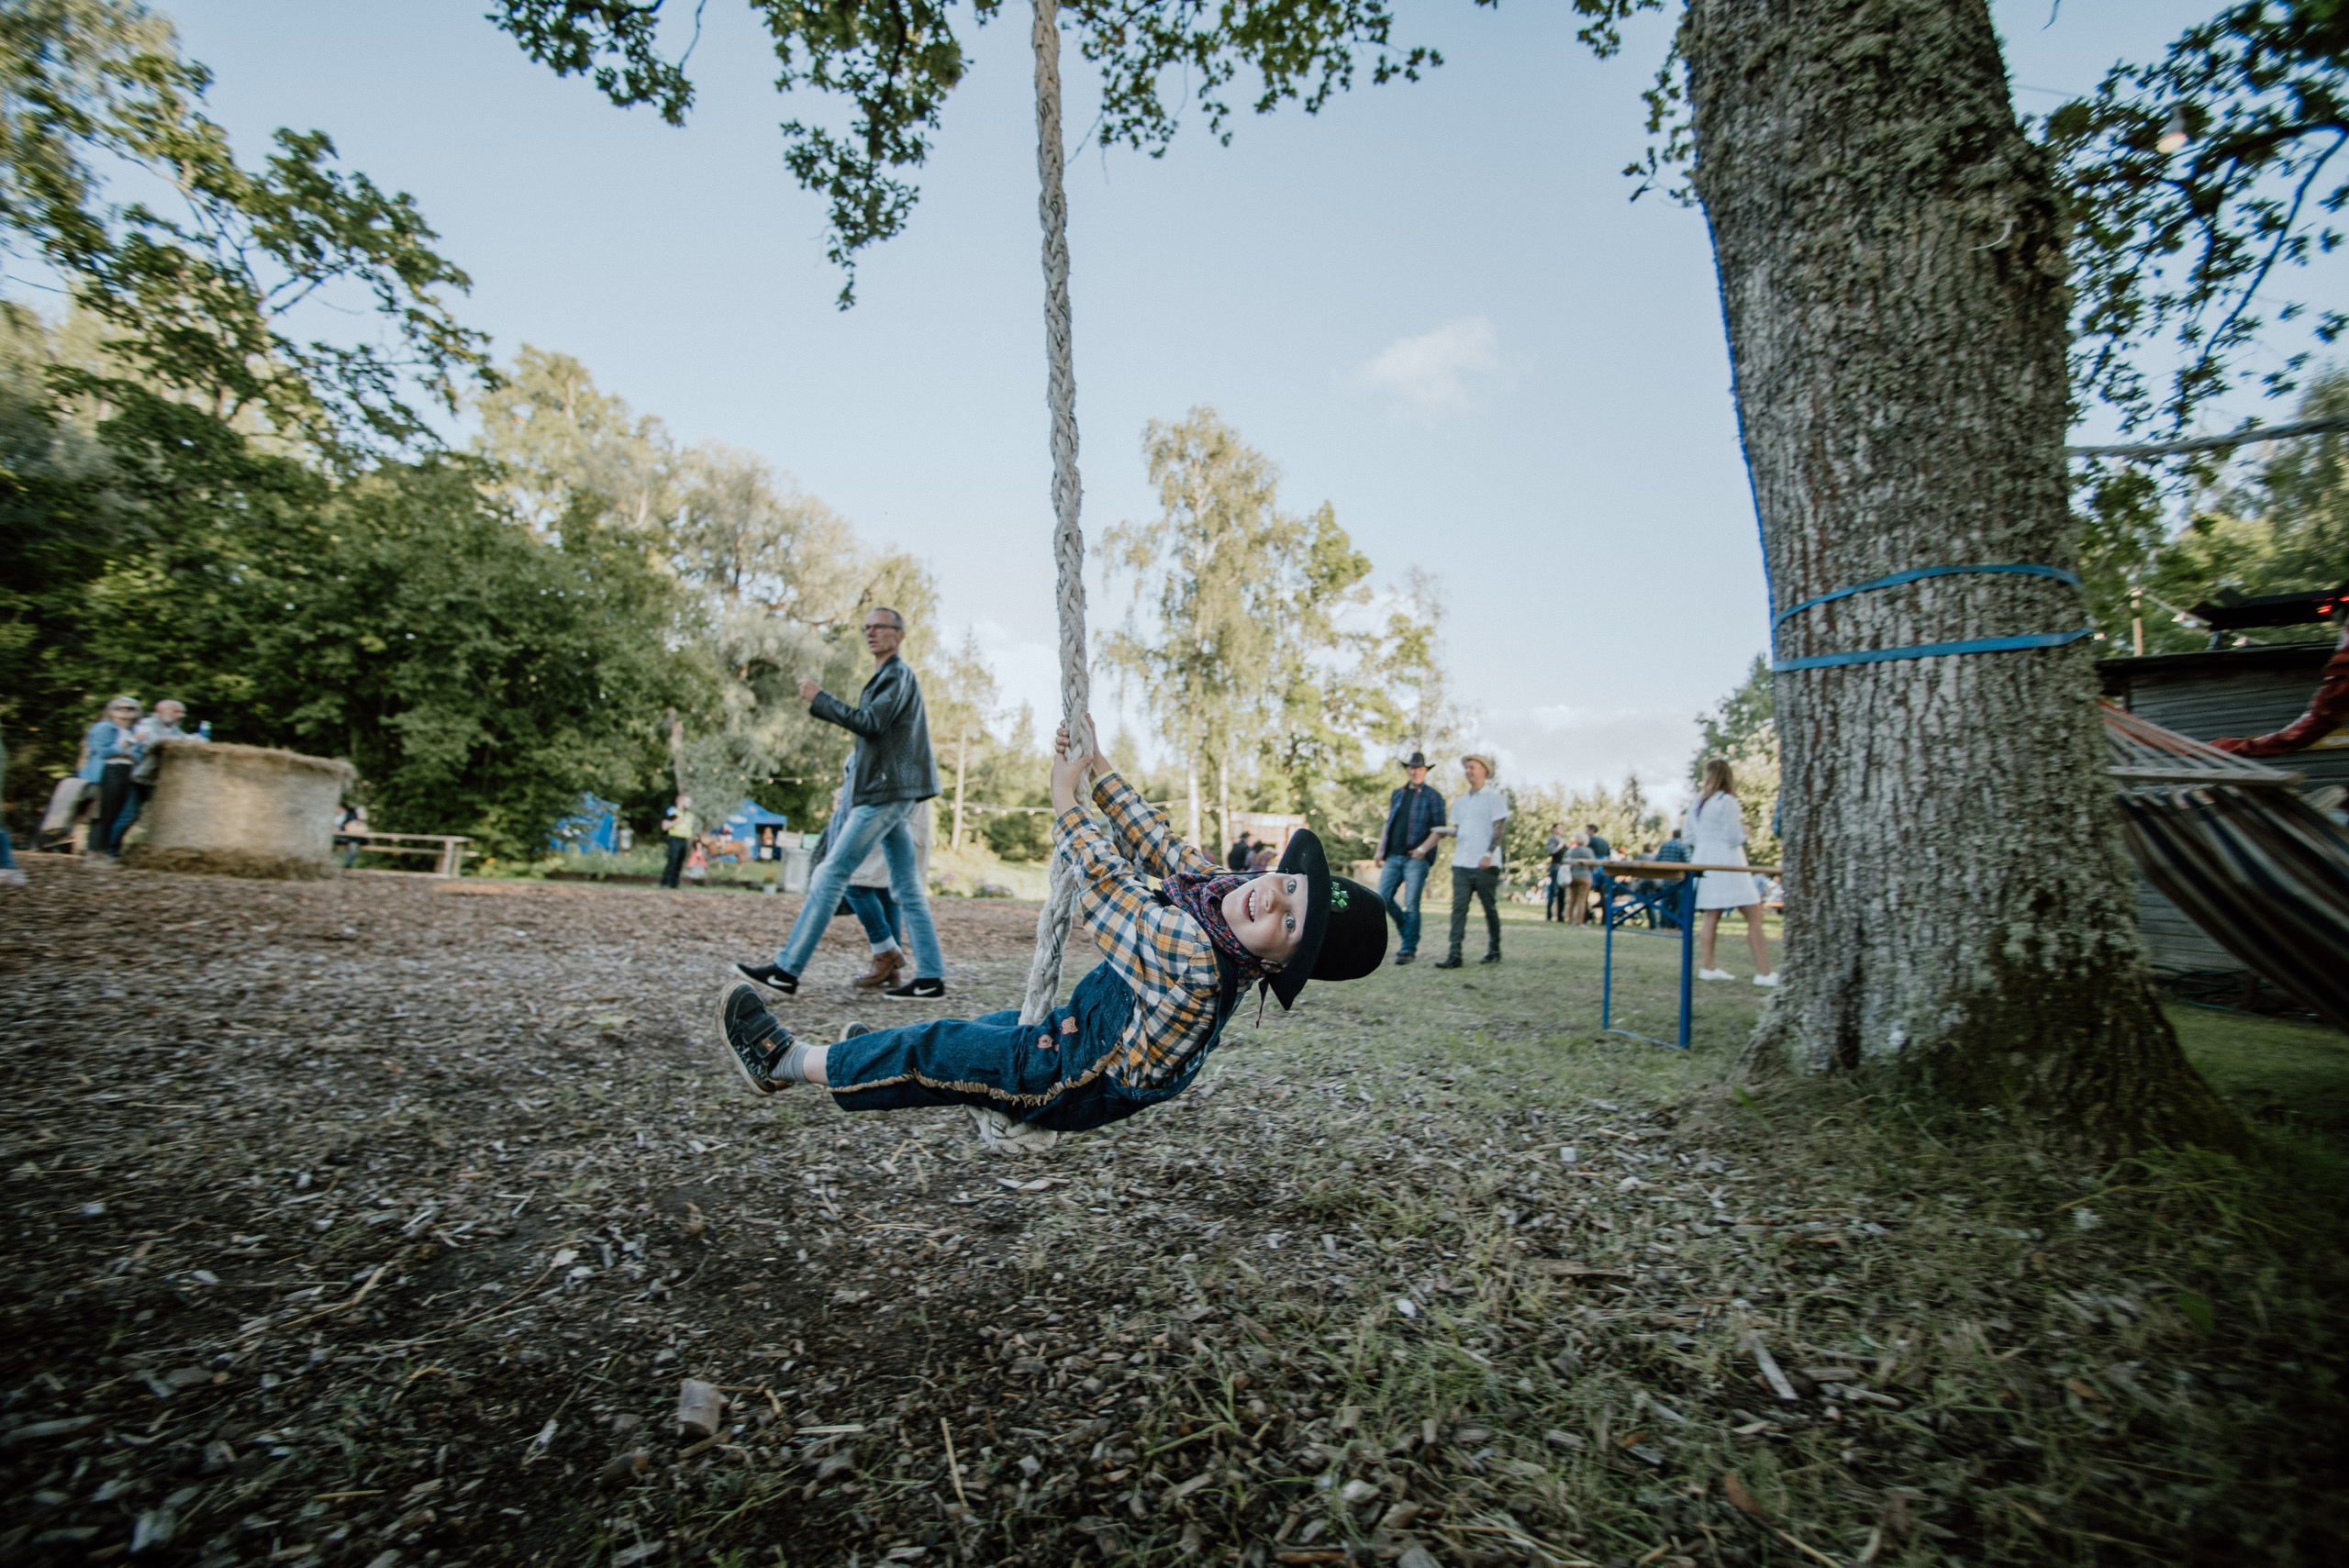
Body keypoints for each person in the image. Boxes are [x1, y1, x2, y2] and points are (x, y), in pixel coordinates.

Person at [712, 719, 1386, 1136]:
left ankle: (785, 1063)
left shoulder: (1198, 959)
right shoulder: (1223, 895)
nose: (1271, 897)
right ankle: (868, 1062)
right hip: (1079, 1026)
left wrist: (1065, 797)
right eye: (1289, 884)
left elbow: (1105, 886)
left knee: (941, 1049)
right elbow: (1161, 843)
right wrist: (1098, 767)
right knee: (966, 1040)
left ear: (1274, 966)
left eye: (1290, 920)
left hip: (1074, 1075)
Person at [735, 606, 947, 1000]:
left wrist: (821, 699)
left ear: (899, 634)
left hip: (885, 793)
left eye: (880, 627)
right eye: (866, 627)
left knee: (831, 873)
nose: (870, 633)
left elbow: (870, 723)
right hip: (894, 793)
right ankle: (931, 977)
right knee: (906, 888)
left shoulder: (897, 675)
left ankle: (786, 970)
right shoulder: (889, 676)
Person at [838, 758, 933, 991]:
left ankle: (886, 952)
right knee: (886, 891)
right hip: (903, 821)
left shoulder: (887, 742)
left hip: (891, 820)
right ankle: (890, 970)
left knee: (855, 884)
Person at [1689, 757, 1776, 987]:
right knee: (1755, 914)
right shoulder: (1726, 800)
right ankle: (1764, 972)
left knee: (1712, 915)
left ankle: (1708, 966)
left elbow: (1690, 836)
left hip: (1704, 861)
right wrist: (1745, 830)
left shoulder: (1698, 803)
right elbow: (1732, 837)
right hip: (1729, 863)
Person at [1433, 753, 1508, 968]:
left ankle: (1494, 949)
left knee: (1489, 908)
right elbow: (1457, 831)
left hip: (1485, 864)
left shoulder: (1495, 798)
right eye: (1466, 768)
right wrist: (1440, 832)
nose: (1468, 771)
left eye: (1472, 767)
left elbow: (1499, 829)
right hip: (1461, 864)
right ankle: (1454, 954)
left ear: (1484, 770)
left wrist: (1488, 854)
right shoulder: (1461, 802)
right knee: (1458, 909)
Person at [1375, 751, 1446, 964]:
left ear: (1425, 771)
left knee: (1411, 904)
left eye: (1420, 768)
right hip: (1394, 856)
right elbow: (1389, 824)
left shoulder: (1433, 796)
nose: (1415, 772)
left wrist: (1423, 849)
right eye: (1412, 768)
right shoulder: (1398, 793)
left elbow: (1440, 829)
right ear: (1407, 770)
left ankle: (1408, 949)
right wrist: (1380, 849)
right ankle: (1408, 930)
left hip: (1417, 859)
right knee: (1382, 897)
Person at [111, 699, 200, 849]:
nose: (181, 715)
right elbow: (151, 744)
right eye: (176, 711)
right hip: (137, 777)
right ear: (160, 711)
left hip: (153, 780)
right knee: (128, 816)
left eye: (182, 712)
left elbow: (187, 739)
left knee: (151, 817)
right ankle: (109, 849)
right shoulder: (145, 725)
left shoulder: (172, 728)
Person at [78, 695, 142, 857]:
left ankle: (105, 851)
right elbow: (103, 752)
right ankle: (94, 850)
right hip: (107, 771)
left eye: (130, 709)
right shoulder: (104, 727)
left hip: (126, 771)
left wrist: (129, 748)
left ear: (136, 713)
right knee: (102, 812)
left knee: (117, 812)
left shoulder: (134, 730)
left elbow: (139, 756)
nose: (124, 712)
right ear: (111, 711)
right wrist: (130, 743)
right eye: (119, 708)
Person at [660, 795, 696, 889]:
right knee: (672, 860)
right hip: (674, 839)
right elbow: (664, 826)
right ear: (681, 802)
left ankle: (674, 884)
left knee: (680, 862)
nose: (689, 804)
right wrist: (676, 821)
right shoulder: (673, 812)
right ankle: (664, 883)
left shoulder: (688, 814)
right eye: (688, 802)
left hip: (684, 840)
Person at [1564, 833, 1598, 925]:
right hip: (1585, 876)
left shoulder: (1572, 850)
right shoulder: (1588, 851)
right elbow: (1593, 864)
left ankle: (1570, 920)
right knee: (1582, 900)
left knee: (1572, 899)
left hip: (1573, 876)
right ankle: (1579, 921)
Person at [1543, 822, 1569, 921]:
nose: (1561, 830)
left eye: (1562, 828)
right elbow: (1551, 851)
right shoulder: (1552, 839)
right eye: (1559, 828)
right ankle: (1549, 915)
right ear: (1554, 829)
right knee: (1553, 891)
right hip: (1555, 867)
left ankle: (1560, 916)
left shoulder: (1563, 840)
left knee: (1562, 892)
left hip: (1563, 867)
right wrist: (1560, 845)